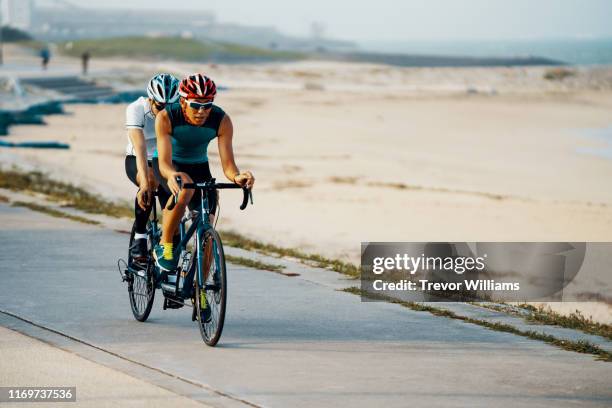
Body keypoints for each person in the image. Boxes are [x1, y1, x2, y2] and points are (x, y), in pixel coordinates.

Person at [152, 73, 254, 274]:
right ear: (182, 101)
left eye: (207, 105)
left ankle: (202, 294)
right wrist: (171, 175)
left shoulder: (221, 120)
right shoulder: (167, 117)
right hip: (168, 165)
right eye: (196, 105)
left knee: (208, 227)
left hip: (199, 167)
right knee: (185, 187)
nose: (202, 111)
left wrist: (238, 177)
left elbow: (228, 166)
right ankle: (165, 245)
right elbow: (163, 163)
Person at [125, 73, 179, 260]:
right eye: (159, 106)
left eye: (170, 106)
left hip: (164, 161)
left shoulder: (178, 111)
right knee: (149, 181)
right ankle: (140, 236)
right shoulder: (136, 108)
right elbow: (139, 147)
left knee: (175, 201)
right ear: (150, 99)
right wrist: (145, 183)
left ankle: (168, 254)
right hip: (139, 159)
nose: (164, 111)